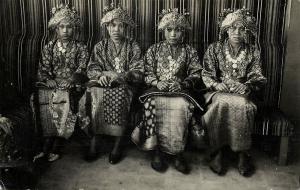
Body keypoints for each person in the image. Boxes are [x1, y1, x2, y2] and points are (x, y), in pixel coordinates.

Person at [131, 8, 203, 174]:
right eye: (169, 30)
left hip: (180, 92)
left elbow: (196, 72)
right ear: (163, 31)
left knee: (182, 106)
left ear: (183, 32)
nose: (173, 34)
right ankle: (156, 151)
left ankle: (177, 152)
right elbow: (145, 72)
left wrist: (183, 84)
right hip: (156, 90)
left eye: (177, 30)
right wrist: (157, 82)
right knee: (151, 102)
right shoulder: (154, 50)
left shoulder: (190, 51)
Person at [201, 8, 267, 176]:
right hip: (219, 92)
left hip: (242, 93)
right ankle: (218, 151)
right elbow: (206, 73)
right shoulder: (214, 49)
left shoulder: (253, 51)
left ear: (247, 31)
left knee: (244, 104)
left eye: (242, 28)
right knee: (221, 103)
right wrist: (216, 84)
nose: (237, 32)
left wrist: (247, 86)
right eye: (232, 28)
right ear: (226, 30)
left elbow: (257, 75)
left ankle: (242, 153)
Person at [78, 3, 144, 164]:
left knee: (120, 95)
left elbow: (138, 70)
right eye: (112, 26)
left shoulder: (133, 46)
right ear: (107, 27)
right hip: (102, 84)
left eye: (121, 26)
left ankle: (118, 143)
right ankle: (96, 138)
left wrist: (121, 76)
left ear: (126, 28)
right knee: (93, 94)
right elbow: (92, 67)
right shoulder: (100, 46)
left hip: (125, 85)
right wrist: (100, 76)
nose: (116, 30)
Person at [34, 4, 89, 162]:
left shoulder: (81, 48)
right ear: (56, 29)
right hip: (53, 85)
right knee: (43, 98)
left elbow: (82, 68)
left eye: (69, 27)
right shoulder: (49, 48)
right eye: (62, 27)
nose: (65, 31)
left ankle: (57, 143)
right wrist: (48, 79)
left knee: (63, 98)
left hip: (72, 86)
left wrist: (72, 80)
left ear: (74, 29)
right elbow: (43, 68)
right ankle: (46, 143)